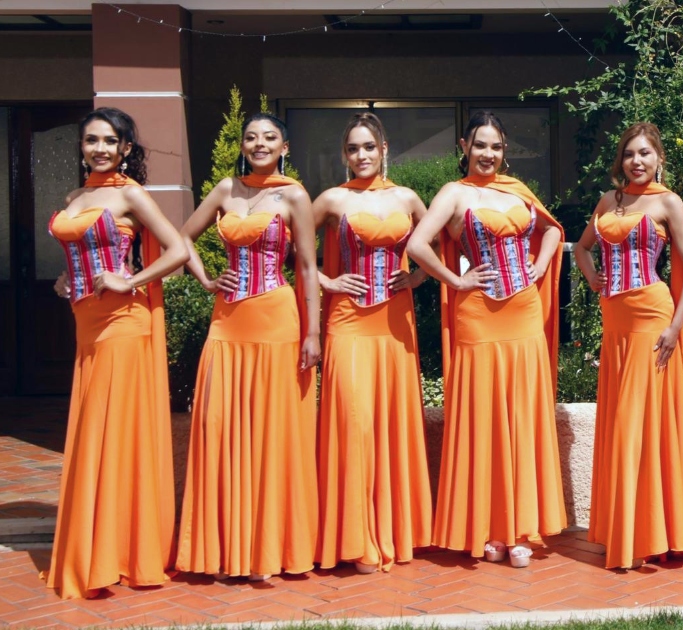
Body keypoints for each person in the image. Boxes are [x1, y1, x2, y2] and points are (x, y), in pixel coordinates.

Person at [406, 110, 566, 564]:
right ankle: (488, 528)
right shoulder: (453, 194)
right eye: (480, 145)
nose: (488, 154)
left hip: (523, 314)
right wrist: (455, 282)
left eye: (496, 146)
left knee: (521, 419)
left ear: (505, 151)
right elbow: (418, 245)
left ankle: (518, 529)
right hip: (478, 315)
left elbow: (552, 229)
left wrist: (538, 266)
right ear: (464, 147)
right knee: (484, 419)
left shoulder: (517, 193)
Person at [45, 107, 188, 599]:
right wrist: (66, 280)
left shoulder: (130, 193)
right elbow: (76, 252)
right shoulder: (74, 196)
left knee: (114, 433)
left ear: (125, 148)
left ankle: (118, 553)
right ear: (81, 146)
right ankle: (100, 548)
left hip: (124, 324)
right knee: (94, 431)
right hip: (85, 322)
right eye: (91, 140)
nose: (100, 148)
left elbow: (177, 251)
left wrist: (130, 279)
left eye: (110, 141)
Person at [175, 113, 320, 581]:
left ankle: (266, 550)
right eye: (252, 137)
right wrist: (205, 278)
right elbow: (180, 239)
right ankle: (225, 547)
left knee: (271, 430)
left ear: (285, 145)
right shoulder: (224, 189)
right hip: (228, 322)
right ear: (243, 144)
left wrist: (313, 332)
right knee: (221, 425)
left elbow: (307, 267)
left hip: (277, 318)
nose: (259, 144)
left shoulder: (294, 194)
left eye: (269, 137)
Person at [574, 122, 683, 570]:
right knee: (622, 422)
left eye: (645, 153)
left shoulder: (668, 203)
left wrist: (676, 325)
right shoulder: (609, 201)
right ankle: (628, 529)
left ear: (659, 157)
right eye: (629, 155)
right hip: (615, 322)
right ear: (621, 160)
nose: (636, 162)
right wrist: (592, 276)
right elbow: (582, 248)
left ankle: (651, 534)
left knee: (646, 424)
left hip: (652, 316)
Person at [312, 113, 433, 574]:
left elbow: (441, 243)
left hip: (394, 325)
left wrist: (418, 278)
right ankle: (356, 537)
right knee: (354, 423)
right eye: (353, 149)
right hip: (346, 323)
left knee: (390, 422)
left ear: (385, 149)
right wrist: (329, 281)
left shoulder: (407, 198)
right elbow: (292, 250)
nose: (361, 155)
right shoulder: (330, 200)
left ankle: (393, 531)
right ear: (345, 155)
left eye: (369, 147)